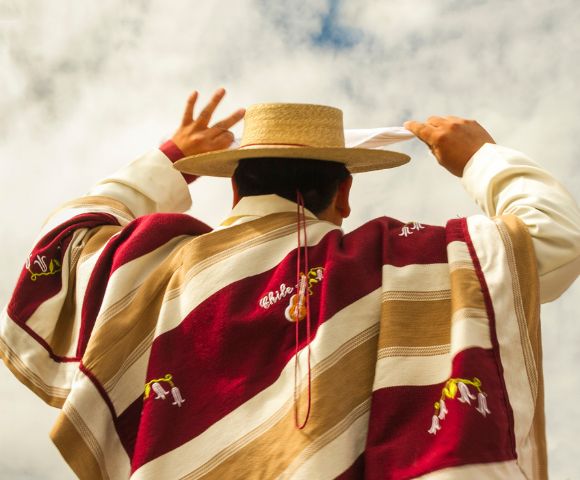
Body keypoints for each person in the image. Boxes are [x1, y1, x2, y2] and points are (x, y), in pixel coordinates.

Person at [1, 88, 579, 480]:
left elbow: (62, 245)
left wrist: (168, 159)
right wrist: (481, 157)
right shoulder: (392, 262)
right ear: (345, 194)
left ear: (233, 190)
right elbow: (553, 239)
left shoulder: (151, 272)